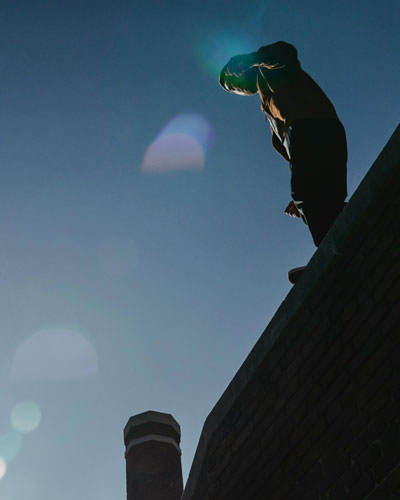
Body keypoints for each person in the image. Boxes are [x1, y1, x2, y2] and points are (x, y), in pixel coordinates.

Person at [219, 41, 347, 283]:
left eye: (234, 81)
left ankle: (333, 253)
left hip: (312, 127)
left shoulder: (272, 69)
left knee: (309, 195)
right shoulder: (266, 101)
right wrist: (303, 198)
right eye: (232, 88)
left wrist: (250, 58)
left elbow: (285, 53)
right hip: (320, 135)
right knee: (323, 198)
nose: (236, 87)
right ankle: (343, 231)